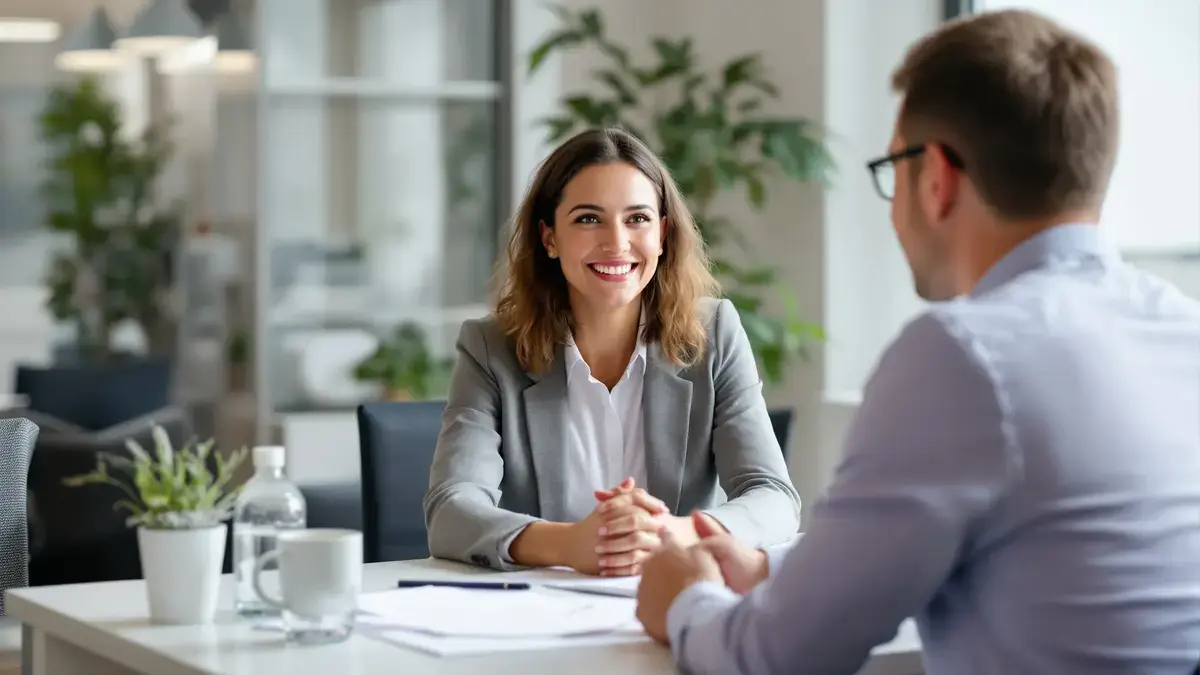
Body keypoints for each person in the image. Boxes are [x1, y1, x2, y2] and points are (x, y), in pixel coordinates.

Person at [634, 9, 1200, 674]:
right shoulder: (1180, 328)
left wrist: (684, 597)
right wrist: (767, 566)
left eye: (891, 164)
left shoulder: (966, 355)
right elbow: (1007, 552)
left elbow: (773, 658)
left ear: (936, 177)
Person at [424, 128, 801, 575]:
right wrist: (570, 544)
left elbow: (773, 495)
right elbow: (450, 509)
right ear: (549, 238)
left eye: (637, 218)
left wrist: (672, 533)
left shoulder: (713, 332)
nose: (617, 242)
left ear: (662, 234)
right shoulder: (492, 349)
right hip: (542, 612)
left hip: (678, 598)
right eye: (588, 219)